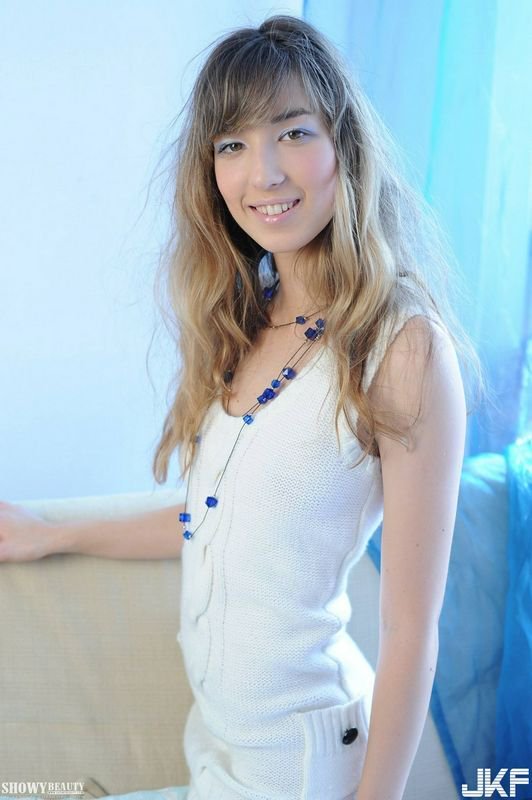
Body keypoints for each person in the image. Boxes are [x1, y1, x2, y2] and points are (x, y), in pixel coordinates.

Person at [0, 14, 484, 800]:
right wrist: (51, 532)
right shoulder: (245, 321)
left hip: (304, 769)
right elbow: (217, 518)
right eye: (232, 144)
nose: (263, 174)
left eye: (292, 132)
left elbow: (409, 631)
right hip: (216, 754)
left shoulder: (401, 346)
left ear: (343, 144)